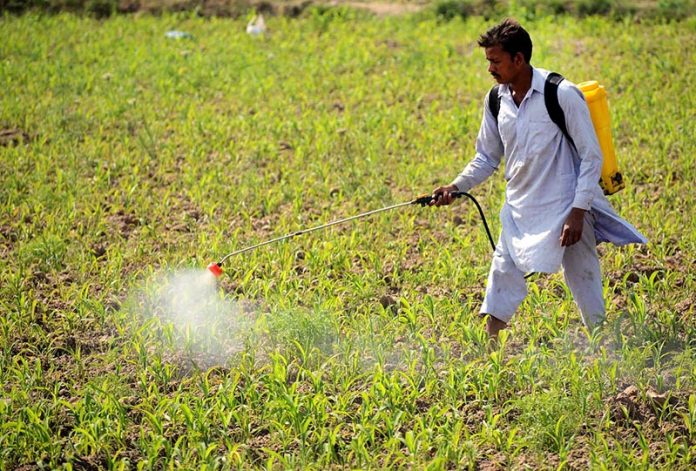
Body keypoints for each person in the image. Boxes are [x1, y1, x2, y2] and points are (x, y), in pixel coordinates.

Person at [431, 18, 646, 339]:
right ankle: (487, 356)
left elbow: (591, 156)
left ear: (519, 59)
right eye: (488, 61)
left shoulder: (561, 94)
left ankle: (602, 346)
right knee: (502, 276)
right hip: (520, 208)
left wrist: (578, 211)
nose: (489, 68)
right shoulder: (496, 100)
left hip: (566, 207)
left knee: (583, 277)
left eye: (495, 61)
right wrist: (455, 187)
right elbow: (486, 157)